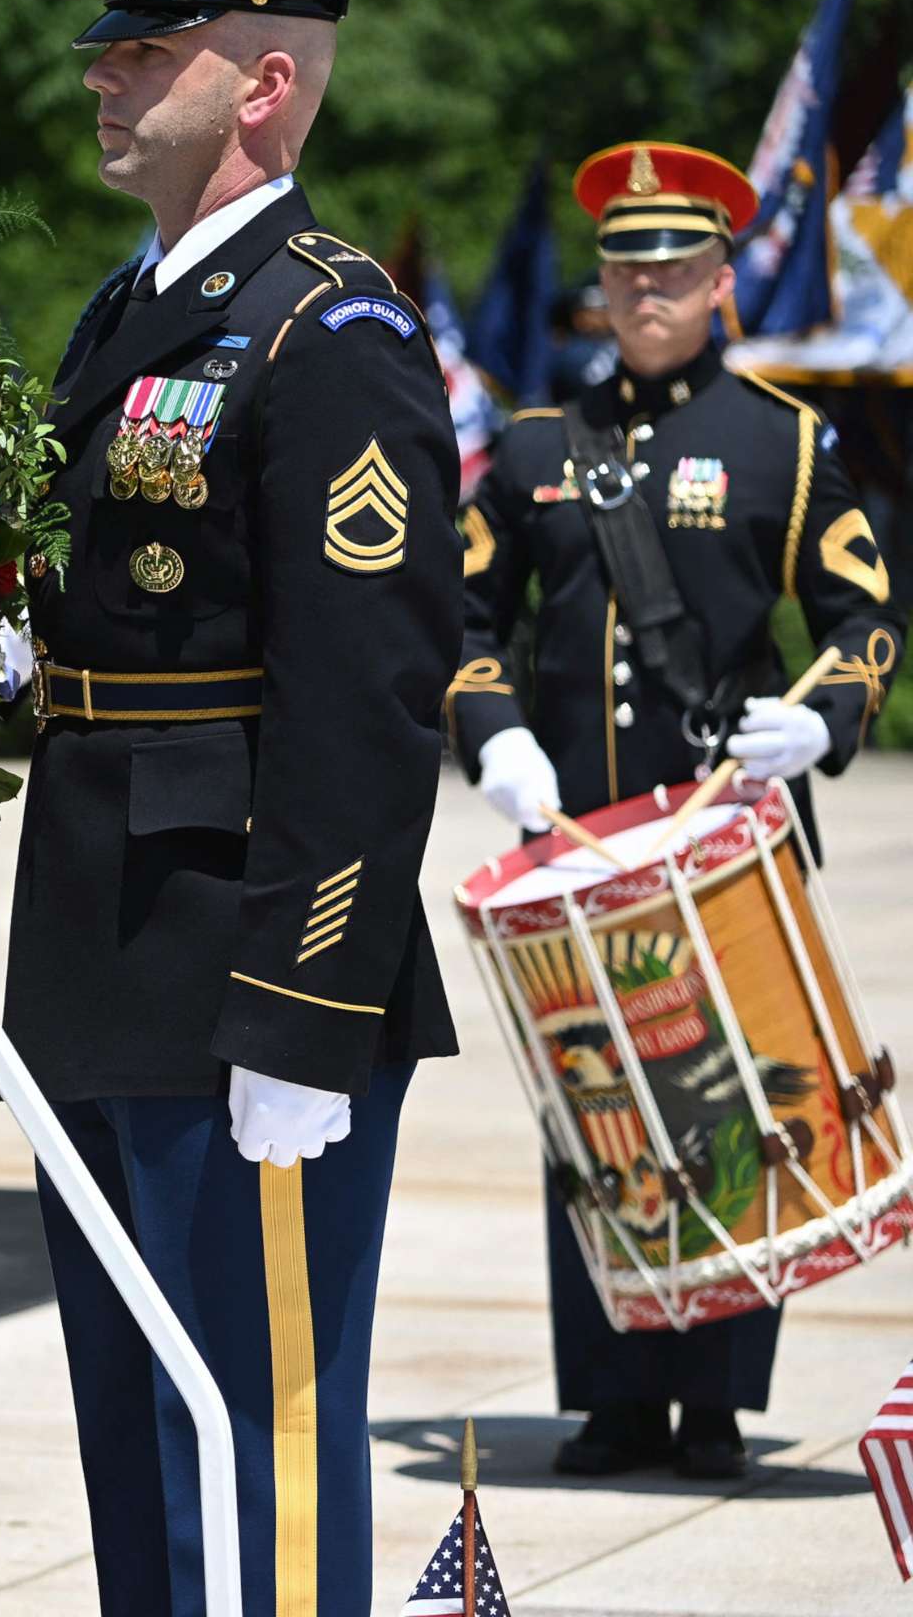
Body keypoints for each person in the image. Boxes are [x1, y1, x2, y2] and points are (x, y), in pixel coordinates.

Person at [6, 0, 460, 1615]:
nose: (104, 73)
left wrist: (306, 1012)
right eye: (109, 44)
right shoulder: (132, 303)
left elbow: (366, 701)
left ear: (264, 84)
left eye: (147, 47)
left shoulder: (327, 334)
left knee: (254, 1434)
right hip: (101, 936)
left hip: (240, 964)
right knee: (136, 1429)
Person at [449, 139, 902, 1481]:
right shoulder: (538, 444)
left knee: (727, 1103)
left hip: (724, 827)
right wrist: (498, 738)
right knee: (595, 1106)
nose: (647, 292)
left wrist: (820, 718)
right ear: (601, 285)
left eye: (677, 269)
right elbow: (462, 618)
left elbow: (861, 614)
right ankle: (610, 1394)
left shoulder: (783, 440)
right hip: (575, 829)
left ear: (720, 283)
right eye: (626, 270)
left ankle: (709, 1401)